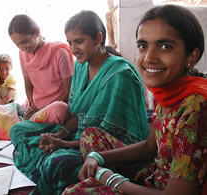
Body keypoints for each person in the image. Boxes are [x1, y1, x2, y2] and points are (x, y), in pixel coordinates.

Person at [63, 5, 207, 195]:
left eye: (165, 46)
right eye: (143, 46)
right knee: (90, 138)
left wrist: (111, 180)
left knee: (74, 191)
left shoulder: (194, 108)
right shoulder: (168, 93)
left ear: (192, 56)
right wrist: (99, 157)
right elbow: (150, 147)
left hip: (166, 187)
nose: (149, 58)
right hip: (156, 172)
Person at [9, 10, 149, 195]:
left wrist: (64, 144)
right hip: (79, 135)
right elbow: (79, 115)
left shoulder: (120, 76)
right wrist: (59, 135)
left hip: (106, 148)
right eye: (70, 43)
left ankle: (56, 173)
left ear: (98, 38)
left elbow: (109, 136)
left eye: (79, 41)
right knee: (18, 130)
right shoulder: (81, 66)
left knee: (58, 162)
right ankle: (53, 171)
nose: (73, 49)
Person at [8, 14, 74, 120]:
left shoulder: (59, 52)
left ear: (37, 32)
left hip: (57, 106)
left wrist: (43, 110)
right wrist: (32, 104)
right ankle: (36, 123)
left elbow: (69, 91)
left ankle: (36, 124)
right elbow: (28, 83)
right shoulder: (22, 53)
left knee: (59, 109)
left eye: (24, 42)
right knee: (13, 126)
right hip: (37, 107)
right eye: (17, 45)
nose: (22, 47)